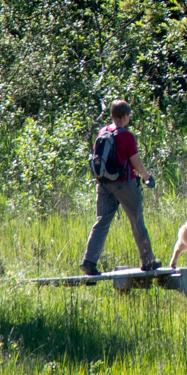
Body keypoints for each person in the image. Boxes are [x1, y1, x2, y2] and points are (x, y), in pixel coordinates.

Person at [80, 100, 160, 276]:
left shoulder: (102, 133)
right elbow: (135, 161)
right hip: (125, 183)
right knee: (137, 220)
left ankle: (89, 262)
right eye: (128, 115)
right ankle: (148, 261)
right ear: (124, 116)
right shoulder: (126, 136)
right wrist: (146, 177)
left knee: (101, 222)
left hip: (104, 184)